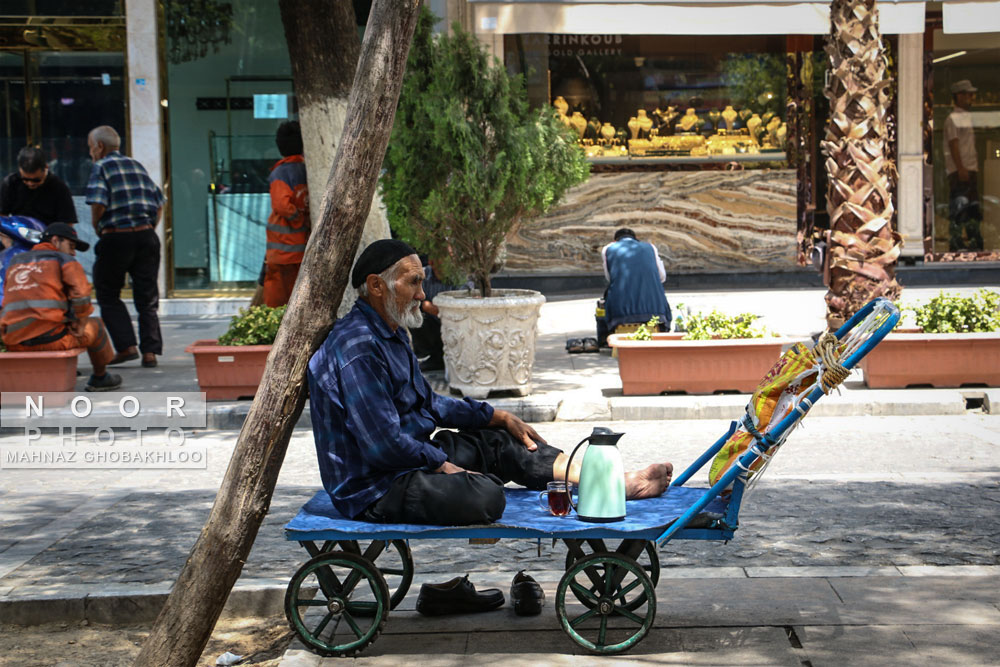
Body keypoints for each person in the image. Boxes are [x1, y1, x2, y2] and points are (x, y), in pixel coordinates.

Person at [307, 239, 673, 527]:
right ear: (376, 286)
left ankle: (614, 484)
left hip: (407, 461)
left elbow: (429, 404)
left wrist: (495, 415)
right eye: (414, 282)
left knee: (505, 441)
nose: (422, 294)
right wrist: (445, 466)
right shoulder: (357, 348)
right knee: (486, 497)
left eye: (422, 282)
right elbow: (383, 445)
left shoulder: (392, 329)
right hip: (374, 486)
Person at [0, 223, 121, 392]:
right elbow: (82, 296)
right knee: (97, 326)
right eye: (71, 246)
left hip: (14, 342)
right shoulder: (64, 261)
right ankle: (100, 378)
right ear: (56, 241)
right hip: (52, 341)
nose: (73, 252)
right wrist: (81, 323)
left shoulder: (14, 262)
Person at [85, 125, 165, 368]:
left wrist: (98, 225)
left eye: (90, 148)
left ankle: (127, 346)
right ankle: (149, 353)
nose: (91, 153)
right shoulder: (136, 165)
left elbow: (98, 203)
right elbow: (159, 202)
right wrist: (150, 226)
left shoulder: (101, 167)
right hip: (146, 236)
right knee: (147, 297)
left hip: (116, 237)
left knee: (107, 293)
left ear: (99, 147)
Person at [263, 121, 309, 307]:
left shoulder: (280, 173)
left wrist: (296, 217)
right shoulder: (307, 169)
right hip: (303, 248)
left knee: (278, 302)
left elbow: (282, 205)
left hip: (283, 250)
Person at [602, 227, 672, 333]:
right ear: (636, 239)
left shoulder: (608, 249)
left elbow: (610, 277)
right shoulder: (650, 247)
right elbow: (662, 277)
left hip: (620, 314)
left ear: (615, 241)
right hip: (656, 313)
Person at [409, 256, 469, 372]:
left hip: (456, 328)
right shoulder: (423, 276)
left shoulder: (460, 277)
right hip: (433, 327)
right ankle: (432, 357)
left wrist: (432, 308)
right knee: (413, 309)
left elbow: (462, 307)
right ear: (432, 262)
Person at [944, 80, 984, 252]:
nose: (971, 98)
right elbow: (954, 144)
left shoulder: (966, 117)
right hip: (961, 171)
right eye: (967, 94)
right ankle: (957, 242)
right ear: (959, 96)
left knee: (972, 208)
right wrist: (960, 168)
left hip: (970, 169)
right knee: (960, 208)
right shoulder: (953, 119)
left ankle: (974, 242)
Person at [0, 146, 78, 226]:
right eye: (25, 179)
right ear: (19, 169)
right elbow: (2, 216)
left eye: (36, 180)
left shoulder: (59, 188)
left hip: (49, 233)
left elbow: (67, 223)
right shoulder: (10, 183)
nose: (30, 183)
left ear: (46, 168)